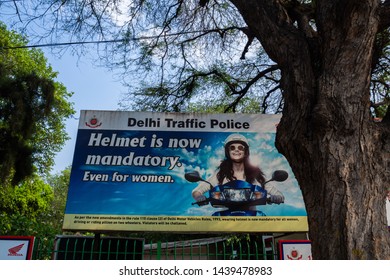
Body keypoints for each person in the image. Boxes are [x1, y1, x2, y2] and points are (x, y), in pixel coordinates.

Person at [191, 134, 285, 205]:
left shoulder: (256, 175)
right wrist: (199, 197)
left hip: (252, 215)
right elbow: (197, 191)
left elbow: (278, 194)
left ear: (245, 152)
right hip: (225, 214)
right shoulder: (220, 175)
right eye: (232, 148)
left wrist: (277, 197)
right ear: (228, 152)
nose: (236, 150)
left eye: (240, 147)